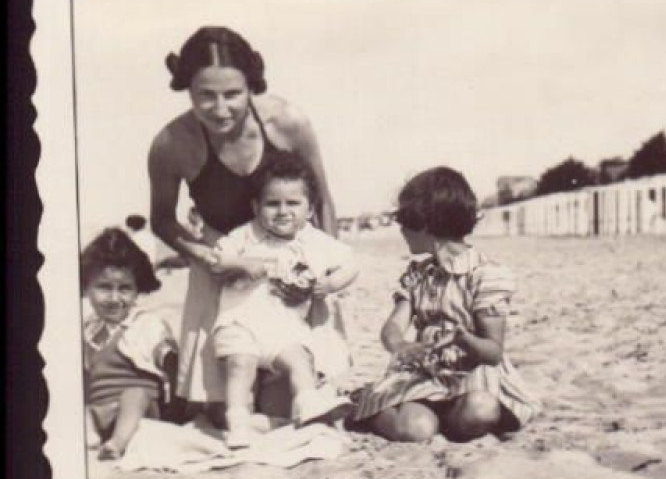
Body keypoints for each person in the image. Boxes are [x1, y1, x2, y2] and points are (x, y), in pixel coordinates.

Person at [147, 26, 337, 418]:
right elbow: (162, 219)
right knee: (224, 411)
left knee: (289, 405)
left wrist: (323, 275)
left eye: (232, 94)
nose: (220, 108)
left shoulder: (288, 122)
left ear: (252, 86)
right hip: (222, 263)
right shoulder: (171, 144)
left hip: (291, 257)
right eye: (206, 96)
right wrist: (204, 256)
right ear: (188, 90)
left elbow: (322, 199)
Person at [354, 166, 538, 442]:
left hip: (473, 375)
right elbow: (393, 325)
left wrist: (462, 338)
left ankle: (442, 418)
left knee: (480, 411)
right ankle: (381, 408)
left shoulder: (485, 274)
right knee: (414, 430)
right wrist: (400, 346)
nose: (401, 229)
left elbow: (492, 352)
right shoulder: (418, 275)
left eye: (404, 220)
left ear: (425, 224)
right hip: (425, 375)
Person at [210, 153, 358, 446]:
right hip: (241, 323)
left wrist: (329, 284)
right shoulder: (245, 237)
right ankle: (238, 423)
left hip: (285, 328)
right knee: (241, 365)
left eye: (293, 203)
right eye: (272, 203)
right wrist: (243, 263)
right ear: (255, 207)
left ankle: (307, 405)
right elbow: (216, 262)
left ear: (310, 208)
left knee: (300, 361)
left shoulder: (314, 240)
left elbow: (351, 263)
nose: (282, 211)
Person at [81, 228, 177, 460]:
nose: (115, 298)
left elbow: (171, 362)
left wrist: (175, 409)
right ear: (86, 288)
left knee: (135, 393)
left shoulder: (146, 324)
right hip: (100, 411)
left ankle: (117, 444)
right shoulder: (88, 330)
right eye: (104, 287)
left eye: (125, 289)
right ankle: (92, 438)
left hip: (140, 412)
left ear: (137, 291)